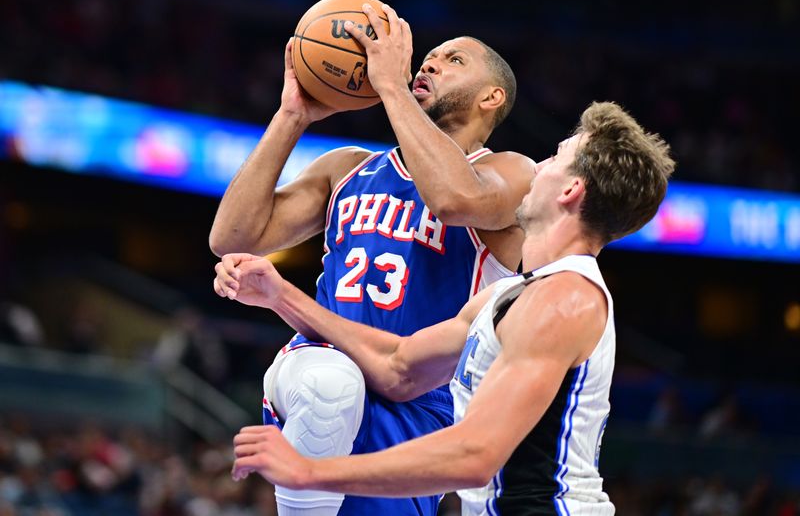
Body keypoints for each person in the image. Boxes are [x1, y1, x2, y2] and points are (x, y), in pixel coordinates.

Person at [215, 101, 676, 514]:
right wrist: (278, 295)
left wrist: (312, 473)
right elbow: (398, 366)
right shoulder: (508, 297)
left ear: (571, 190)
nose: (539, 165)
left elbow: (474, 456)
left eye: (554, 157)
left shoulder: (565, 299)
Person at [209, 2, 535, 515]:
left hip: (420, 405)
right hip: (320, 359)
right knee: (330, 386)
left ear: (491, 97)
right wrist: (291, 115)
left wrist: (392, 89)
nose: (428, 64)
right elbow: (232, 237)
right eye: (427, 57)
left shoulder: (513, 175)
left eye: (452, 60)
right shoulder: (348, 168)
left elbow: (453, 200)